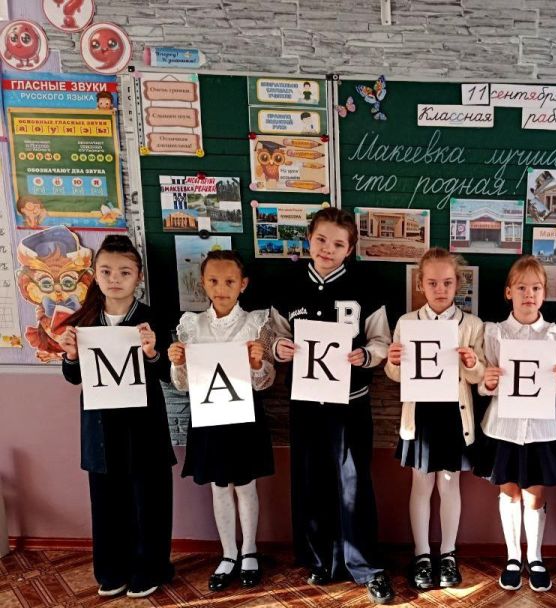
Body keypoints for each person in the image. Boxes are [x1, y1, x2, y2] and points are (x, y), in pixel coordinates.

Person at [269, 207, 394, 605]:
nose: (328, 249)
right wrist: (279, 349)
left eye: (338, 243)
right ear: (309, 239)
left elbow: (380, 341)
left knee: (354, 484)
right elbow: (273, 337)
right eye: (321, 240)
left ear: (350, 249)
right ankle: (319, 559)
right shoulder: (288, 286)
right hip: (306, 404)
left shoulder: (367, 286)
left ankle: (364, 565)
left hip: (350, 404)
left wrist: (366, 356)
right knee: (311, 481)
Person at [59, 234, 175, 600]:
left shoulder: (152, 318)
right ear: (94, 274)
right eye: (106, 270)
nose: (115, 278)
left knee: (148, 501)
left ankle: (150, 569)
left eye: (125, 272)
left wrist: (154, 353)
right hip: (101, 427)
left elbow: (168, 371)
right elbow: (74, 377)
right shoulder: (85, 320)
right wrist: (71, 356)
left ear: (138, 277)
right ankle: (111, 571)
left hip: (143, 426)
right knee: (107, 504)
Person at [167, 250, 275, 592]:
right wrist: (176, 362)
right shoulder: (191, 325)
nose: (221, 288)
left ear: (243, 285)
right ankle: (227, 553)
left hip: (244, 417)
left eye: (229, 281)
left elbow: (266, 381)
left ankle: (249, 551)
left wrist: (258, 363)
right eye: (213, 281)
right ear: (203, 283)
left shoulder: (256, 322)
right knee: (219, 486)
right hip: (210, 418)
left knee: (245, 485)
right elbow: (182, 384)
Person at [476, 255, 556, 593]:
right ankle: (512, 557)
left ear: (544, 294)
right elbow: (482, 382)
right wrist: (487, 381)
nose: (528, 294)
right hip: (503, 427)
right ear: (508, 292)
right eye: (521, 287)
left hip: (541, 429)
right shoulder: (493, 333)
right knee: (508, 491)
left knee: (534, 496)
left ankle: (534, 556)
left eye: (536, 288)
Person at [385, 248, 485, 590]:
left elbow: (480, 379)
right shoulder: (407, 322)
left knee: (449, 483)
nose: (440, 289)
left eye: (447, 282)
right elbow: (395, 375)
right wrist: (394, 360)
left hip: (454, 416)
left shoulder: (471, 325)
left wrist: (472, 363)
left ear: (457, 283)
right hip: (421, 415)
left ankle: (449, 554)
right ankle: (422, 554)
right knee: (421, 485)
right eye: (432, 283)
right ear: (420, 284)